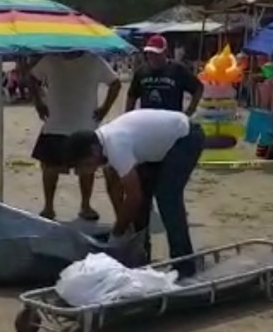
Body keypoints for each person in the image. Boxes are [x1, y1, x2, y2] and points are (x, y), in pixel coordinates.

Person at [66, 109, 205, 276]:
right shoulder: (102, 145)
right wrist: (125, 227)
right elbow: (114, 188)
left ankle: (184, 264)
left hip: (185, 136)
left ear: (93, 151)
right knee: (142, 202)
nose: (82, 171)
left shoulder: (115, 145)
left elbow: (133, 196)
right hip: (157, 147)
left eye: (83, 164)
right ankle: (141, 257)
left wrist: (117, 233)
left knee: (167, 197)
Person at [29, 52, 121, 221]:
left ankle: (85, 206)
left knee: (87, 170)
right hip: (55, 124)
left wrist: (104, 109)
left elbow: (115, 84)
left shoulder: (94, 60)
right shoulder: (50, 59)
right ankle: (48, 207)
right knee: (49, 169)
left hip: (85, 125)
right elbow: (32, 78)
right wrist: (38, 103)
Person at [126, 34, 203, 115]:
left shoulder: (178, 69)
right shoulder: (141, 71)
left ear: (165, 52)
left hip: (171, 119)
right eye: (150, 53)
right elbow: (132, 95)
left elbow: (198, 88)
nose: (152, 57)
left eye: (156, 53)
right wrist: (128, 116)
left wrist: (190, 111)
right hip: (148, 119)